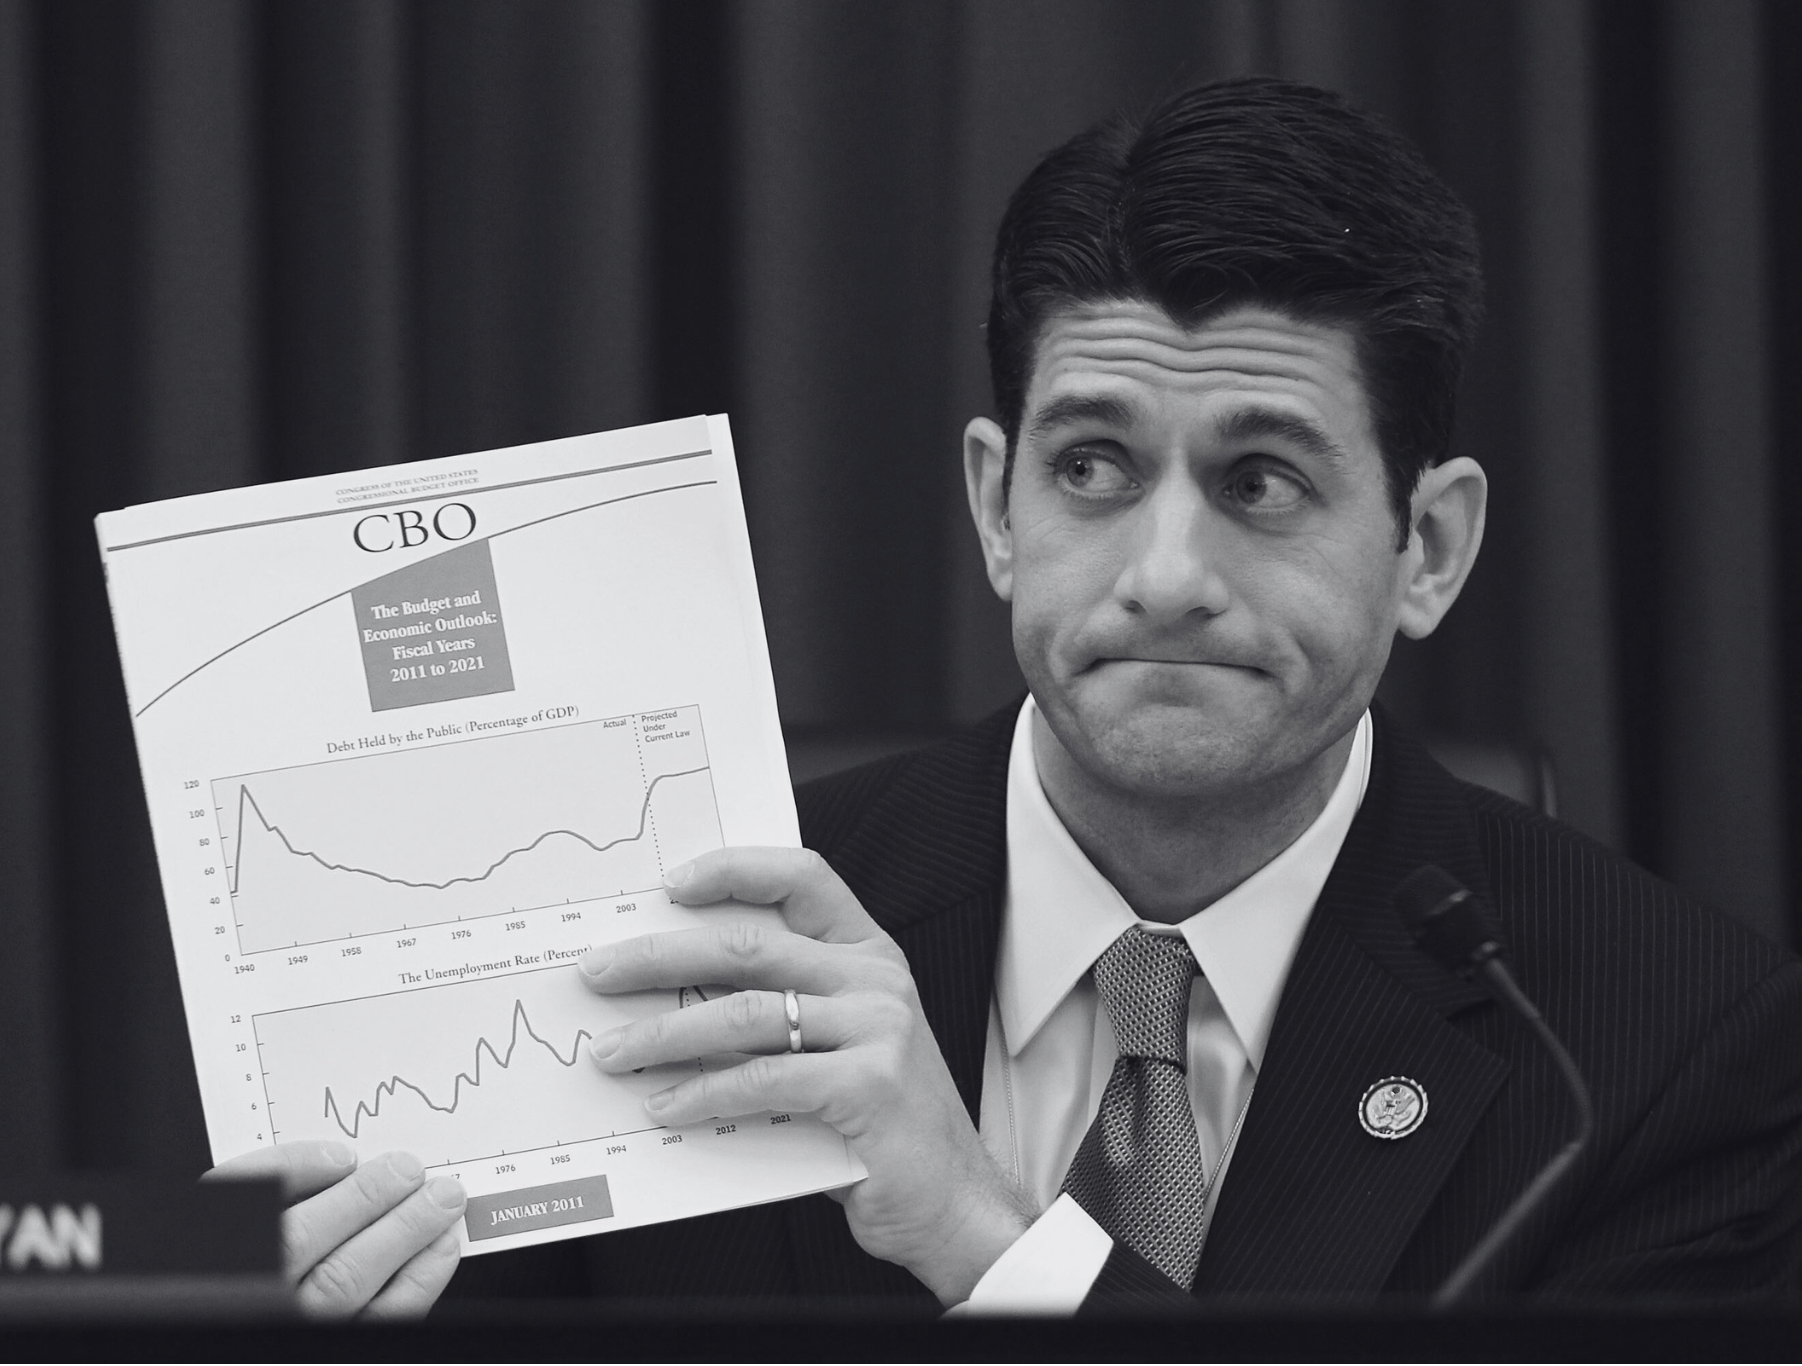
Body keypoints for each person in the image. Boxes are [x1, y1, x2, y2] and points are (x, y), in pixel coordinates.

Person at [206, 75, 1802, 1317]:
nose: (1165, 570)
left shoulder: (1652, 1056)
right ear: (995, 504)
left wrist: (992, 1240)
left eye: (1261, 480)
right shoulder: (663, 948)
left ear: (1429, 544)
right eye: (1093, 466)